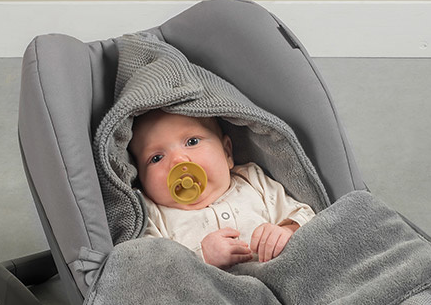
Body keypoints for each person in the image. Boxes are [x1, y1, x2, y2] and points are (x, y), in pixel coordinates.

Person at [128, 109, 316, 269]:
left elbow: (307, 216)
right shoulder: (151, 215)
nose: (178, 161)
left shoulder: (252, 180)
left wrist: (286, 232)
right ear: (141, 179)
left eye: (192, 142)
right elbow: (151, 273)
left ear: (227, 153)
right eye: (156, 158)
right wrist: (201, 257)